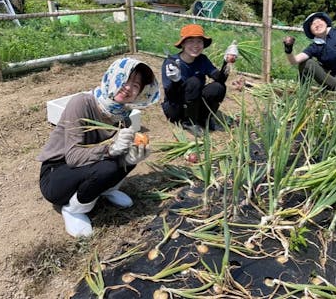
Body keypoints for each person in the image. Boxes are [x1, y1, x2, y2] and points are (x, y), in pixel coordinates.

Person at [37, 57, 160, 238]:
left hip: (86, 168)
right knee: (109, 165)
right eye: (125, 79)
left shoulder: (123, 117)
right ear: (113, 77)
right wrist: (110, 150)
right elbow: (72, 156)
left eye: (136, 85)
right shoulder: (82, 103)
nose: (128, 87)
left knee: (130, 152)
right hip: (57, 174)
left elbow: (118, 153)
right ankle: (74, 210)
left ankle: (106, 190)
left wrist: (129, 159)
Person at [161, 24, 236, 136]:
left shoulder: (202, 59)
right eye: (190, 41)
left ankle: (204, 118)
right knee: (194, 82)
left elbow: (219, 79)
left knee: (219, 87)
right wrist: (175, 81)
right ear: (183, 44)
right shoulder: (172, 63)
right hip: (176, 108)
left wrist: (226, 62)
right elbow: (171, 95)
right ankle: (189, 123)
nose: (196, 45)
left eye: (199, 41)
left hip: (193, 103)